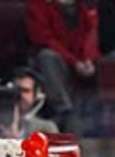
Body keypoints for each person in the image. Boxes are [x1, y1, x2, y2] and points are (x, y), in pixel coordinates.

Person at [26, 0, 99, 133]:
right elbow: (44, 39)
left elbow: (92, 33)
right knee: (47, 57)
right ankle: (63, 111)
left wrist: (89, 59)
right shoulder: (38, 6)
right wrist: (74, 62)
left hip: (83, 62)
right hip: (56, 62)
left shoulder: (85, 7)